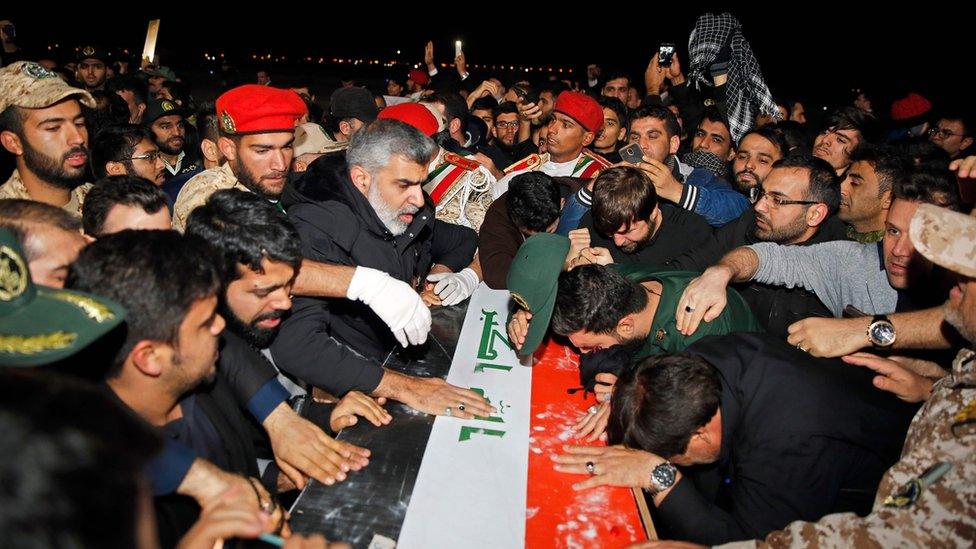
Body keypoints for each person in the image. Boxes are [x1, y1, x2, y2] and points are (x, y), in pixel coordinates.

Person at [0, 61, 95, 216]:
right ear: (13, 143)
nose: (77, 138)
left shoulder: (109, 207)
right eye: (53, 128)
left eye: (79, 123)